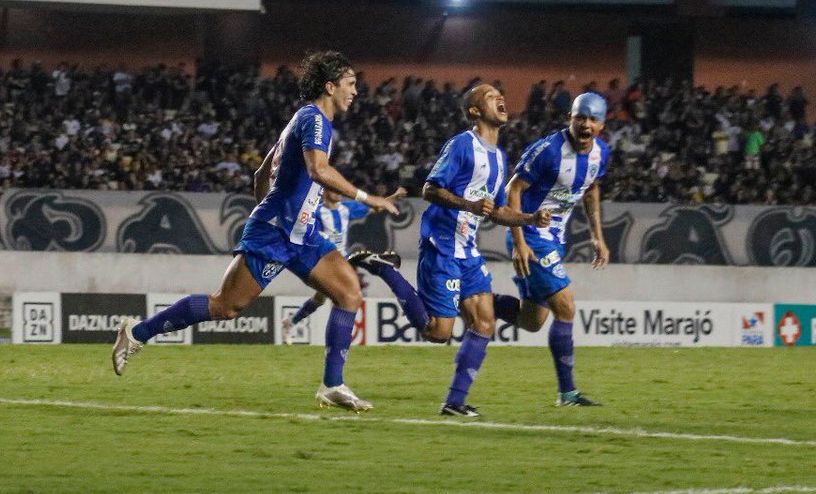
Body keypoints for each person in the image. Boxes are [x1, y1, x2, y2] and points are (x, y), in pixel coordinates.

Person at [111, 51, 402, 411]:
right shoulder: (315, 120)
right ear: (330, 86)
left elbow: (261, 174)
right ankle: (135, 333)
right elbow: (318, 171)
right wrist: (366, 197)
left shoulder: (304, 120)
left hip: (302, 232)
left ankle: (332, 384)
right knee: (225, 307)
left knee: (349, 293)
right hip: (277, 233)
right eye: (351, 84)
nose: (356, 91)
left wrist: (273, 206)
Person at [352, 84, 550, 418]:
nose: (500, 99)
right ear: (474, 111)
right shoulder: (462, 145)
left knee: (484, 322)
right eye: (490, 97)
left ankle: (454, 403)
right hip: (441, 245)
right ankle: (386, 268)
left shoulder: (500, 158)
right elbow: (430, 188)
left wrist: (530, 218)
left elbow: (497, 211)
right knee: (438, 332)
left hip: (467, 250)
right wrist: (468, 204)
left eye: (501, 95)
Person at [490, 93, 611, 407]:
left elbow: (592, 188)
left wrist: (598, 236)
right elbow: (512, 190)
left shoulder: (602, 154)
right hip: (530, 234)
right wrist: (518, 243)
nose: (584, 125)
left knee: (531, 321)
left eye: (592, 119)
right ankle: (568, 394)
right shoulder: (548, 151)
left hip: (554, 239)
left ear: (602, 124)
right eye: (579, 117)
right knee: (566, 307)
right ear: (569, 118)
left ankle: (474, 300)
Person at [280, 185, 407, 344]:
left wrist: (394, 196)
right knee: (335, 297)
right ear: (325, 193)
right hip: (325, 261)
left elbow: (375, 207)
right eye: (334, 190)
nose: (339, 192)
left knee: (324, 298)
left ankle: (292, 323)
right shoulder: (317, 212)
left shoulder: (347, 208)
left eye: (340, 190)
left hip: (342, 261)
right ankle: (337, 338)